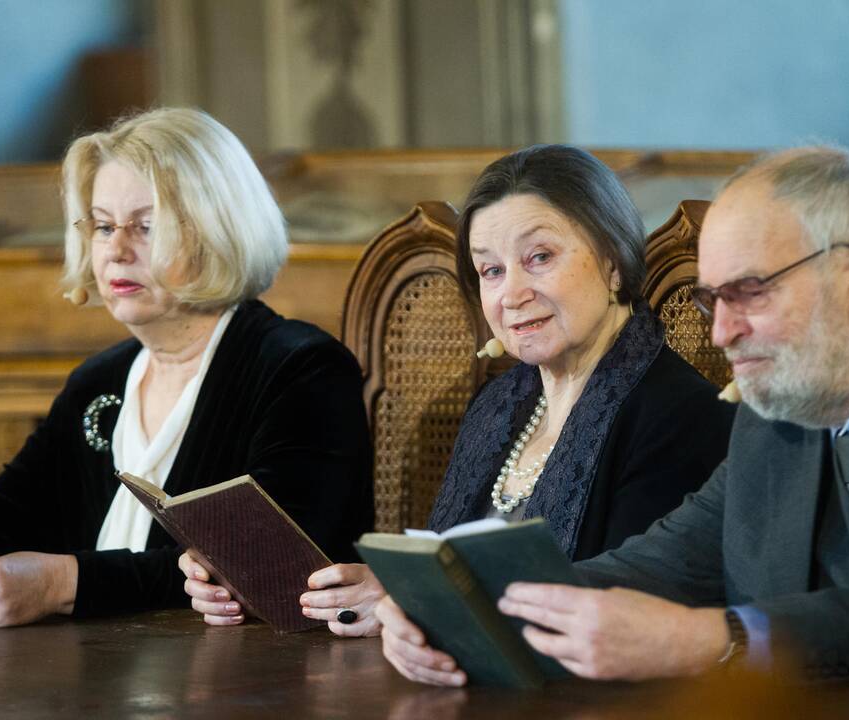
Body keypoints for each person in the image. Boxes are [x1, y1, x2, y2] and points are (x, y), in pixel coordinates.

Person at [377, 145, 849, 687]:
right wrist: (455, 605)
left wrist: (715, 638)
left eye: (750, 293)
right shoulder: (783, 397)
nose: (723, 332)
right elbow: (673, 557)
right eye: (713, 300)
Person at [0, 108, 373, 628]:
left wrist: (60, 583)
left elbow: (267, 567)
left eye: (146, 226)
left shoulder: (300, 369)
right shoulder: (96, 383)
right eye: (102, 226)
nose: (116, 251)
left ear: (217, 230)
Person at [281, 144, 734, 637]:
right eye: (491, 271)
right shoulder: (496, 406)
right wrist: (392, 588)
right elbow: (445, 567)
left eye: (539, 257)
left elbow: (617, 609)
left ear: (613, 262)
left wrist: (426, 604)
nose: (512, 294)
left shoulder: (682, 417)